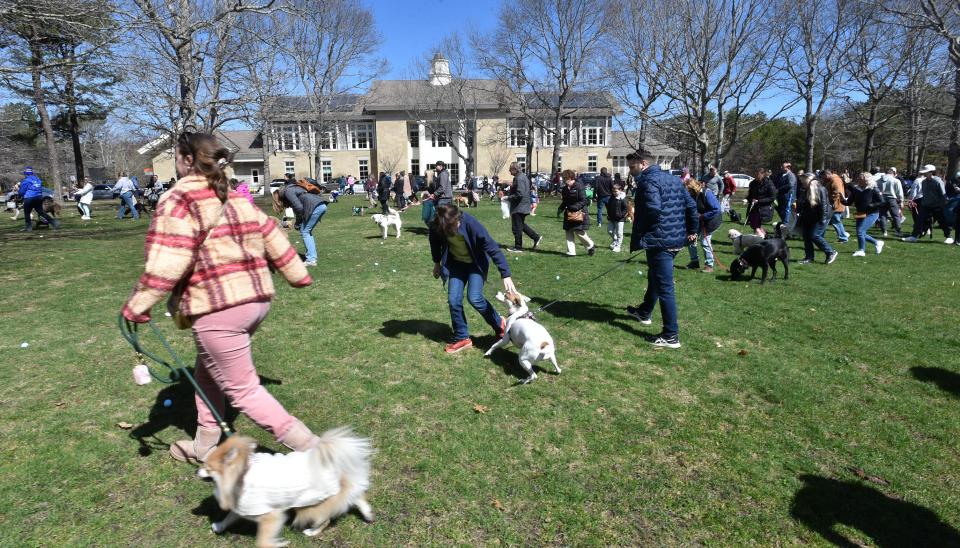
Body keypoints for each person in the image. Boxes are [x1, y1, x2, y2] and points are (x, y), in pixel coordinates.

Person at [121, 131, 320, 463]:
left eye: (175, 156)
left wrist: (138, 304)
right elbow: (270, 231)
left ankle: (318, 452)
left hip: (219, 307)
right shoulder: (236, 196)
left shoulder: (179, 200)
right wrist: (297, 274)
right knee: (207, 374)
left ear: (187, 160)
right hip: (256, 301)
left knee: (243, 391)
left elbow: (169, 259)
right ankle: (205, 446)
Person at [625, 150, 698, 349]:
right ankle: (644, 311)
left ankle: (671, 335)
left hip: (661, 241)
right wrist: (692, 231)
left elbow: (653, 210)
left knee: (665, 287)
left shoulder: (648, 182)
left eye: (632, 167)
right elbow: (691, 206)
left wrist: (643, 231)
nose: (630, 171)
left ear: (643, 164)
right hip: (675, 239)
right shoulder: (674, 180)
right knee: (655, 277)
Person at [429, 204, 516, 354]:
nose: (457, 226)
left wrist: (505, 274)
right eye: (453, 226)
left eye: (457, 223)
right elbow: (435, 242)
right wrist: (437, 262)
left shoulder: (470, 223)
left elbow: (492, 248)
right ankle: (462, 337)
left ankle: (499, 324)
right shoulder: (438, 225)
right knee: (453, 299)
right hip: (456, 264)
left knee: (474, 297)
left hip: (476, 264)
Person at [278, 178, 328, 267]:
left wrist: (297, 222)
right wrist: (298, 222)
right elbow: (297, 208)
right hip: (320, 204)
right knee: (306, 231)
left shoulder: (288, 191)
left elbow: (299, 208)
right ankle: (312, 257)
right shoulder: (297, 187)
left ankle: (311, 259)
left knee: (305, 232)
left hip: (314, 206)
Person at [796, 173, 838, 264]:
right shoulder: (805, 189)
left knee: (814, 235)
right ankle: (809, 257)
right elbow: (803, 203)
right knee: (806, 236)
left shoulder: (820, 189)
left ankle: (830, 252)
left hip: (820, 216)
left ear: (808, 180)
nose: (801, 182)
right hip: (808, 216)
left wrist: (822, 220)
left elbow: (824, 205)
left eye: (802, 180)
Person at [904, 164, 951, 243]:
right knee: (919, 220)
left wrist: (943, 204)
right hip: (925, 205)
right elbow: (924, 194)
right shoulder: (924, 182)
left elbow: (943, 194)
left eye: (926, 172)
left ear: (931, 172)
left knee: (942, 221)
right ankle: (914, 236)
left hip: (937, 206)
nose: (924, 174)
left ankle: (948, 237)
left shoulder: (938, 181)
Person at [684, 178, 721, 272]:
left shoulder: (707, 193)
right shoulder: (692, 195)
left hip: (711, 221)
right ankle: (694, 262)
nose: (686, 192)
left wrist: (703, 216)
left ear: (693, 188)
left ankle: (709, 265)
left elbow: (716, 209)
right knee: (691, 239)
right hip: (698, 220)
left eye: (688, 190)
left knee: (705, 242)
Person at [506, 162, 542, 252]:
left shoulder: (519, 178)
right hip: (523, 205)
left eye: (510, 169)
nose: (509, 171)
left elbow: (520, 193)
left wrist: (508, 197)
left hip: (519, 206)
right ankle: (536, 237)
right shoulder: (522, 177)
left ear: (515, 169)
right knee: (521, 225)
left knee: (516, 227)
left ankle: (518, 247)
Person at [558, 169, 596, 256]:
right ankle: (571, 252)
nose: (563, 180)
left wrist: (575, 207)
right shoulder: (564, 189)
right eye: (563, 178)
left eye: (565, 178)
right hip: (568, 213)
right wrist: (560, 208)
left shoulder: (579, 186)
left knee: (579, 231)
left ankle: (591, 245)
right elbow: (565, 201)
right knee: (568, 231)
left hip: (579, 213)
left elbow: (584, 200)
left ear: (570, 178)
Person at [848, 171, 885, 256]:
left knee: (860, 231)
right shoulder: (856, 189)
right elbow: (849, 202)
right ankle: (877, 242)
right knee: (860, 232)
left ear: (866, 180)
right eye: (858, 178)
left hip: (872, 213)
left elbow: (882, 202)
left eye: (860, 178)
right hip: (859, 212)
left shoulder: (873, 189)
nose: (858, 179)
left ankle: (861, 250)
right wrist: (842, 200)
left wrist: (872, 205)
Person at [18, 167, 59, 231]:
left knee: (27, 213)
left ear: (26, 174)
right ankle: (54, 222)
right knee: (41, 212)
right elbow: (40, 188)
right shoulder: (37, 179)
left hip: (29, 198)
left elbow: (22, 191)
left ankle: (28, 227)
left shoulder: (26, 181)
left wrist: (19, 195)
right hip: (38, 197)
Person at [746, 168, 776, 236]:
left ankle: (760, 238)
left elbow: (772, 197)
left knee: (756, 226)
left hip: (763, 208)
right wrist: (747, 199)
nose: (756, 177)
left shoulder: (769, 184)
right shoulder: (753, 183)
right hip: (753, 207)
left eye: (758, 175)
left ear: (763, 174)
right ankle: (763, 237)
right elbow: (750, 195)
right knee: (754, 225)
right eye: (755, 175)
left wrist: (759, 201)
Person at [821, 169, 849, 242]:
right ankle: (843, 236)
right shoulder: (831, 180)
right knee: (835, 221)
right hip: (834, 204)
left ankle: (843, 237)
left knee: (835, 221)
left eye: (823, 176)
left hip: (835, 204)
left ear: (827, 175)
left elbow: (837, 193)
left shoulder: (835, 180)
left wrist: (832, 203)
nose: (823, 178)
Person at [875, 168, 903, 238]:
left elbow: (876, 190)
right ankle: (898, 231)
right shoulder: (896, 180)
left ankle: (884, 232)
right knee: (895, 216)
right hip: (892, 199)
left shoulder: (878, 181)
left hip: (882, 199)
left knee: (882, 215)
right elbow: (899, 192)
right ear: (892, 173)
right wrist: (901, 201)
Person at [607, 181, 628, 253]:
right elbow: (609, 206)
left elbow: (626, 208)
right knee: (610, 231)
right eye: (613, 191)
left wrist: (621, 215)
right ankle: (615, 241)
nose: (614, 193)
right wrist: (609, 214)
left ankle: (618, 246)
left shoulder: (623, 198)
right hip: (611, 218)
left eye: (616, 191)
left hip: (620, 219)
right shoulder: (611, 197)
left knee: (619, 233)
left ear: (620, 190)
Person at [775, 162, 797, 227]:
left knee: (786, 209)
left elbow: (790, 185)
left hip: (788, 195)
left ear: (788, 168)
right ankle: (784, 220)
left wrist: (779, 189)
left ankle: (786, 223)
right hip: (780, 195)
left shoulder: (791, 175)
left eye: (783, 167)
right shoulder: (780, 175)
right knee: (779, 208)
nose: (781, 168)